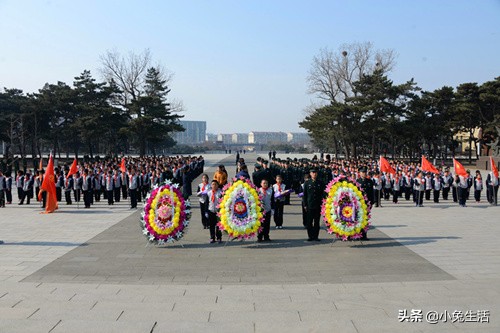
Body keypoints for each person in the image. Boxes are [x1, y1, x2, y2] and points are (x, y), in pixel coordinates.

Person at [302, 168, 325, 241]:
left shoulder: (320, 183)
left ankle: (316, 236)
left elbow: (323, 194)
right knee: (309, 222)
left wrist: (323, 203)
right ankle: (310, 236)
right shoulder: (307, 183)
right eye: (312, 173)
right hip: (310, 205)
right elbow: (305, 195)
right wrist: (305, 205)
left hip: (318, 205)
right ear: (310, 174)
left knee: (317, 222)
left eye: (315, 173)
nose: (314, 174)